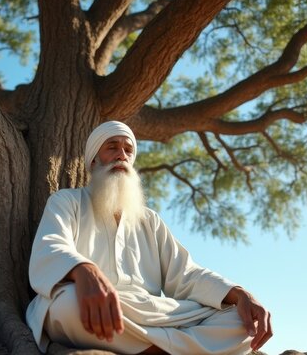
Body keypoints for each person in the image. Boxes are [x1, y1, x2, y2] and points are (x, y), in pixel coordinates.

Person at [26, 121, 272, 354]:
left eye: (127, 150)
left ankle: (149, 349)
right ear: (92, 161)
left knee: (242, 321)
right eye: (112, 147)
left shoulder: (150, 220)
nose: (121, 155)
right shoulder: (68, 201)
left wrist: (240, 294)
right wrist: (84, 270)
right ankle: (175, 349)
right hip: (94, 304)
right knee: (67, 305)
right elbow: (51, 245)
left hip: (153, 313)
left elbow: (185, 274)